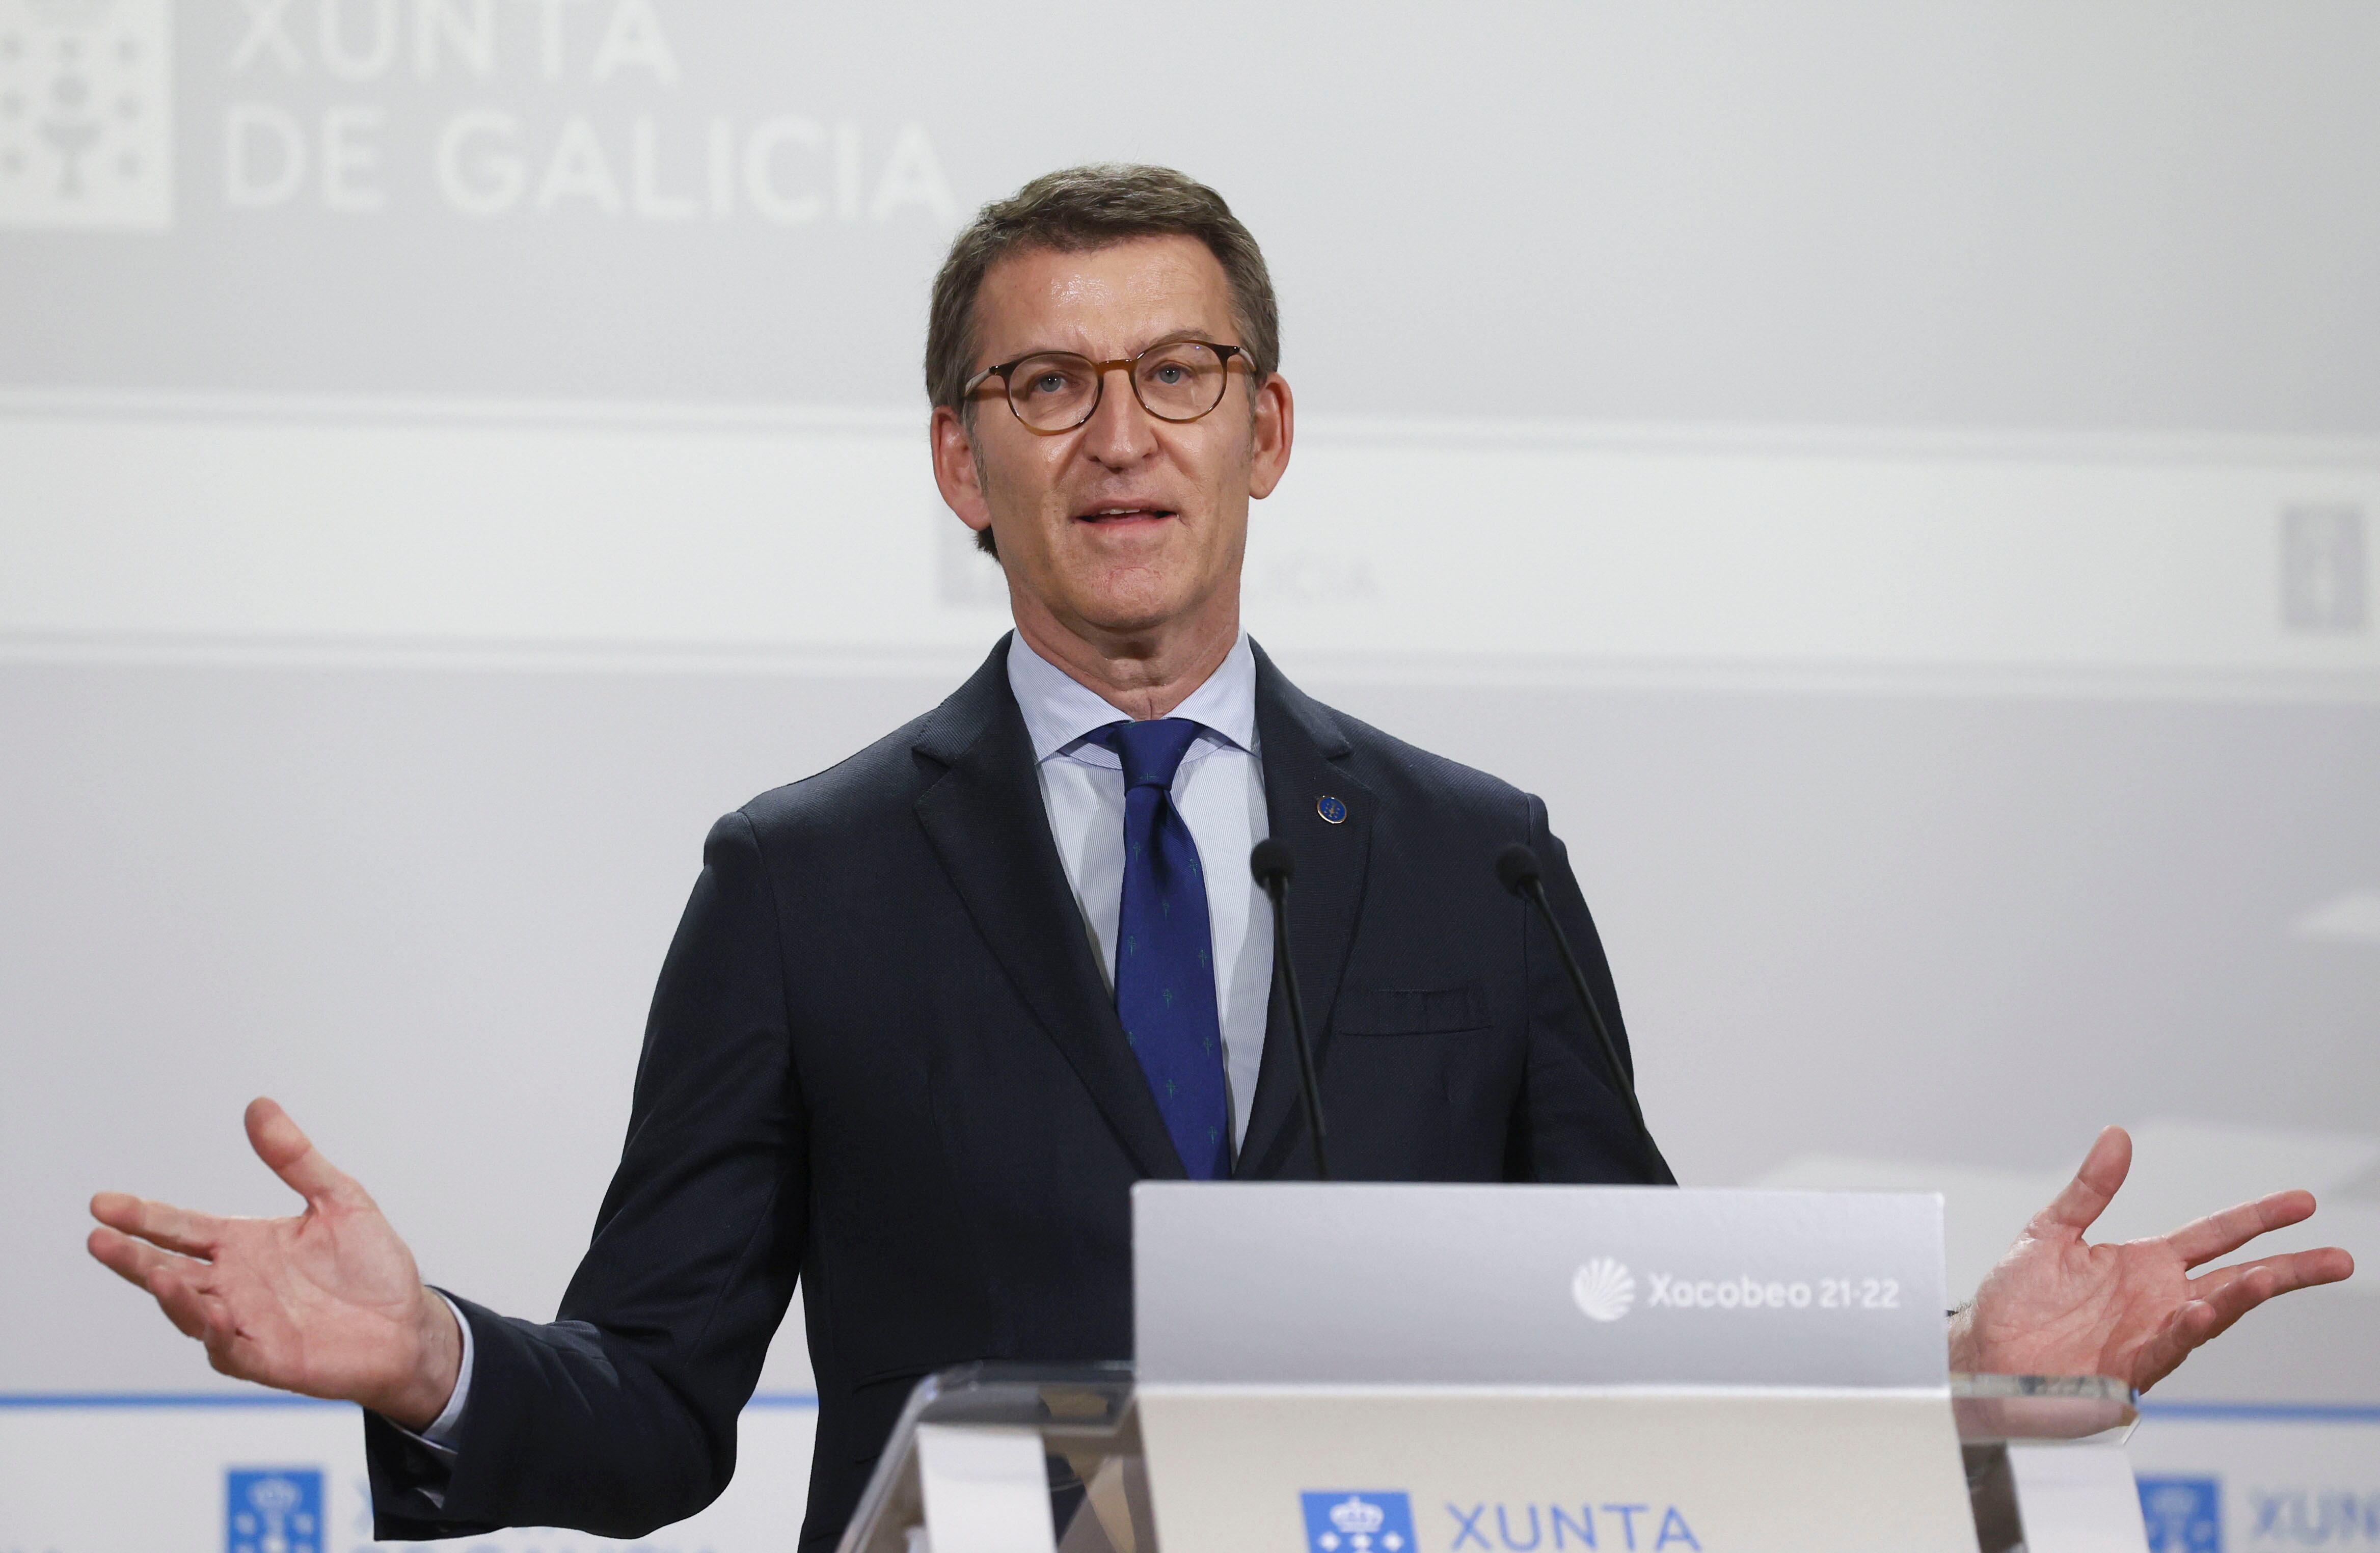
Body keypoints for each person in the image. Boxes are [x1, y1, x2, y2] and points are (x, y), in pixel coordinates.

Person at [86, 166, 2354, 1551]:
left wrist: (1969, 1364)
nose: (1118, 435)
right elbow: (669, 1413)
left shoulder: (1476, 861)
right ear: (958, 465)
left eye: (1177, 374)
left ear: (1265, 431)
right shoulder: (802, 880)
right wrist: (432, 1370)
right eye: (1044, 388)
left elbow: (1636, 1351)